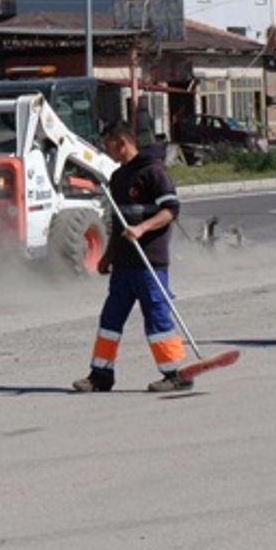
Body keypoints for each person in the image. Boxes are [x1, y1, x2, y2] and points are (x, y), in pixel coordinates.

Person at [74, 124, 191, 393]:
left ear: (122, 143)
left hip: (149, 263)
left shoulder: (154, 172)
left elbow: (170, 210)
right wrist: (107, 255)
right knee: (110, 320)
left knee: (157, 320)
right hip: (123, 265)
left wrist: (142, 228)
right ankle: (101, 375)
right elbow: (118, 222)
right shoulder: (118, 177)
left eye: (108, 145)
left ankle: (175, 374)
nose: (106, 151)